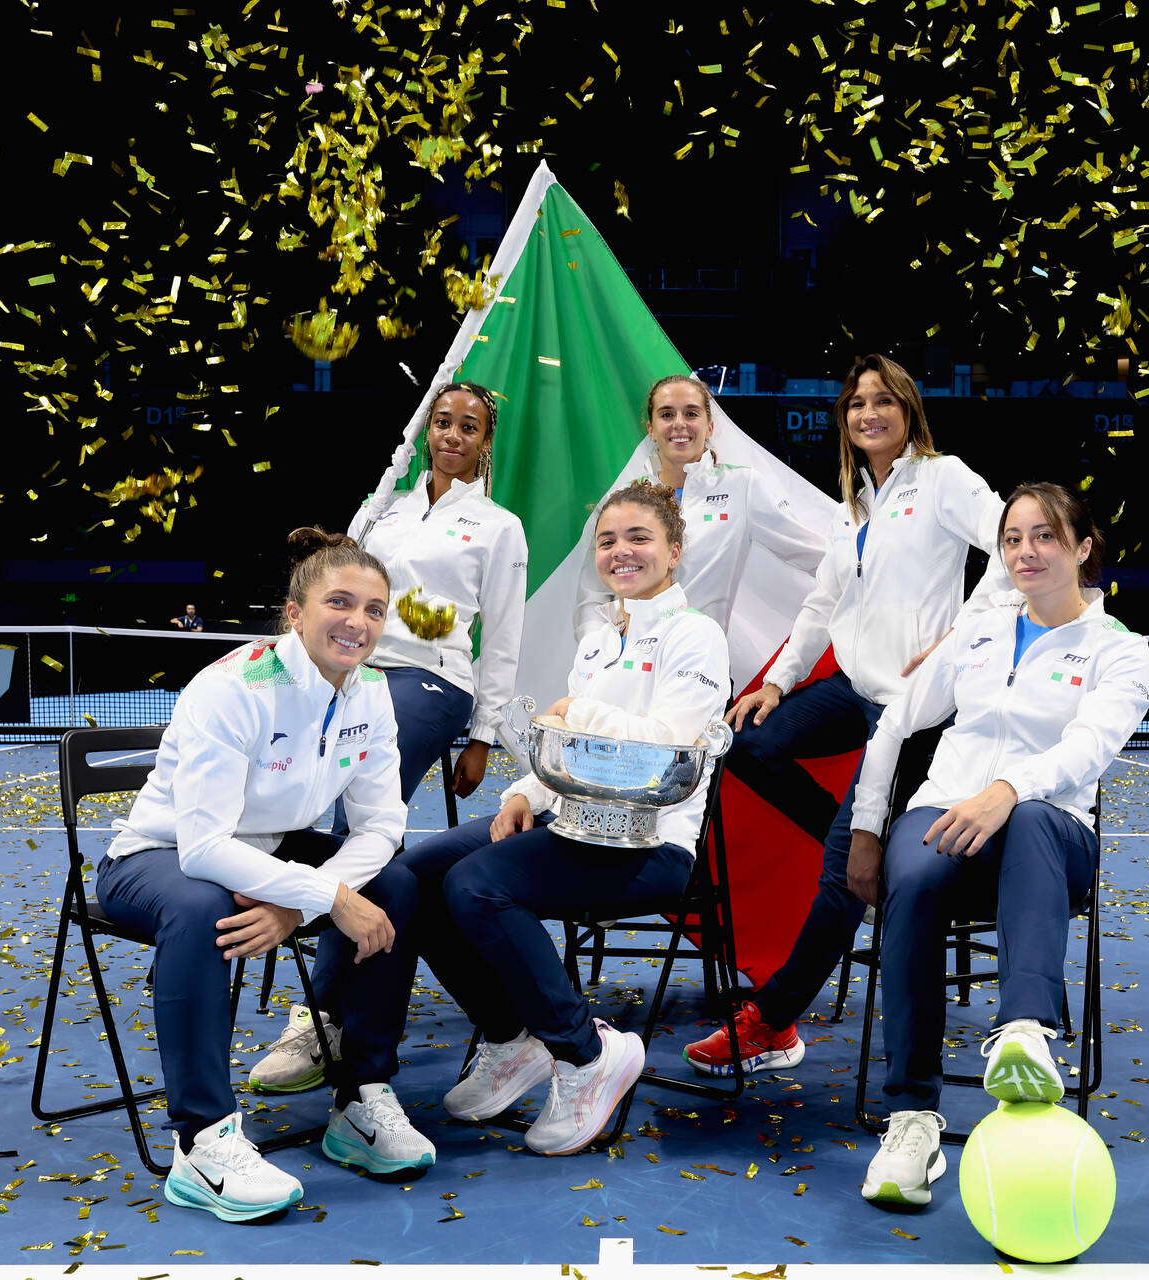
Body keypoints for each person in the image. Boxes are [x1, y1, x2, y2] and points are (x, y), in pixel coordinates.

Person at [370, 479, 730, 1156]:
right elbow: (571, 752)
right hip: (569, 822)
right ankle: (513, 1039)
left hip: (651, 844)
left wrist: (578, 714)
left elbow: (668, 748)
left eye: (639, 537)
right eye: (607, 540)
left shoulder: (697, 637)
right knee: (413, 876)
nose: (621, 551)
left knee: (477, 887)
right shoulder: (598, 638)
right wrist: (523, 796)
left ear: (675, 551)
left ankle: (584, 1052)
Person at [685, 353, 1011, 1077]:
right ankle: (866, 836)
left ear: (908, 410)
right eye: (857, 403)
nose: (868, 413)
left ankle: (772, 1022)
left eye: (883, 400)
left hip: (915, 708)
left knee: (843, 873)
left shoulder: (944, 478)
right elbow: (821, 604)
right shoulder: (855, 505)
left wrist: (961, 638)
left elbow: (1012, 546)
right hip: (852, 693)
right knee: (748, 745)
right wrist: (780, 683)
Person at [99, 528, 433, 1224]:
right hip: (155, 859)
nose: (358, 622)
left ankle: (361, 1101)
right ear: (295, 613)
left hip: (274, 854)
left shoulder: (372, 693)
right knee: (202, 910)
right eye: (339, 602)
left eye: (374, 609)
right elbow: (204, 850)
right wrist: (324, 896)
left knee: (397, 883)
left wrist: (299, 907)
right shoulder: (231, 688)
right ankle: (203, 1142)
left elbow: (380, 827)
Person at [847, 483, 1149, 1209]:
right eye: (1013, 538)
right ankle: (912, 1120)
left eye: (1044, 536)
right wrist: (866, 828)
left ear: (1082, 548)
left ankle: (1025, 1032)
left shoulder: (1121, 652)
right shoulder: (977, 631)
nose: (1026, 552)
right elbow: (897, 722)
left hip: (1049, 842)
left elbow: (1086, 750)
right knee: (914, 878)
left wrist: (1009, 789)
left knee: (1036, 819)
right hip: (946, 818)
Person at [249, 380, 527, 1095]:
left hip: (434, 683)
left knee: (359, 819)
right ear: (427, 430)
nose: (453, 435)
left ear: (485, 441)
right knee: (334, 821)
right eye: (442, 422)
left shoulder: (498, 526)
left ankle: (327, 1017)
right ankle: (348, 998)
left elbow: (503, 637)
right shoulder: (384, 512)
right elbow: (336, 594)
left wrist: (483, 737)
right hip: (356, 675)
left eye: (470, 426)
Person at [572, 373, 825, 636]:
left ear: (710, 426)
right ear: (651, 429)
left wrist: (864, 576)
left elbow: (819, 557)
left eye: (691, 414)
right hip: (633, 668)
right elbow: (591, 597)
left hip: (703, 666)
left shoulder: (741, 486)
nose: (679, 424)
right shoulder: (626, 497)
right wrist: (600, 654)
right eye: (667, 415)